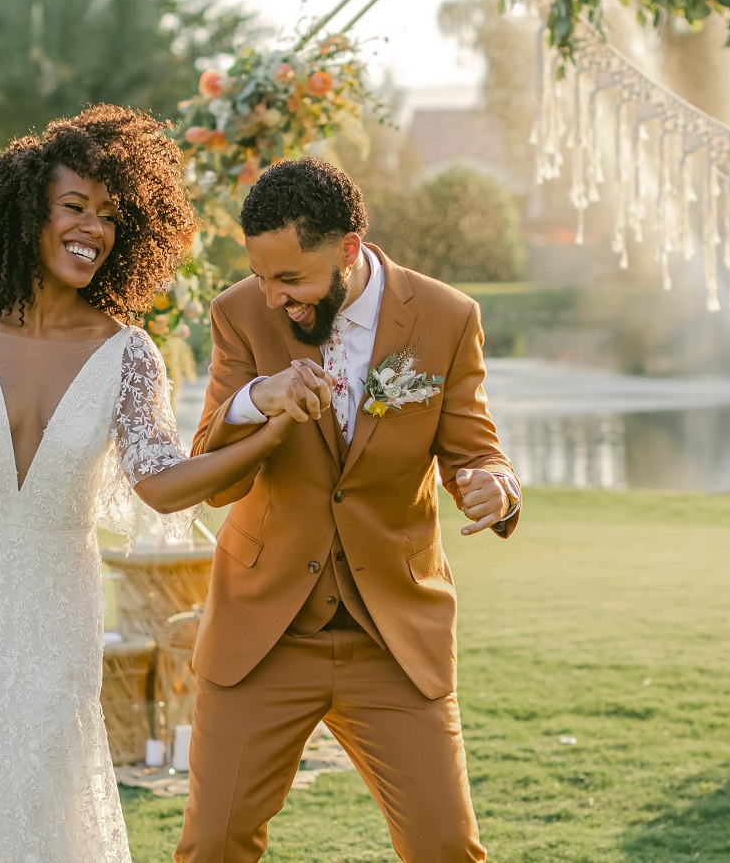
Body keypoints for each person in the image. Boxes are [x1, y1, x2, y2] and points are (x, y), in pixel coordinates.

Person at [0, 105, 329, 863]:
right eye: (75, 208)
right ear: (26, 216)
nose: (94, 229)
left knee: (41, 795)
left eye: (111, 216)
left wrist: (272, 434)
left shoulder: (129, 353)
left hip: (54, 609)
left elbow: (163, 482)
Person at [177, 156, 523, 862]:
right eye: (262, 276)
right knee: (212, 846)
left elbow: (474, 452)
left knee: (446, 848)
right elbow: (212, 473)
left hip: (392, 635)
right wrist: (255, 401)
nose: (273, 297)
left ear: (349, 252)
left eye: (291, 279)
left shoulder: (448, 318)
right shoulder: (239, 313)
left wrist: (495, 485)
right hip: (265, 631)